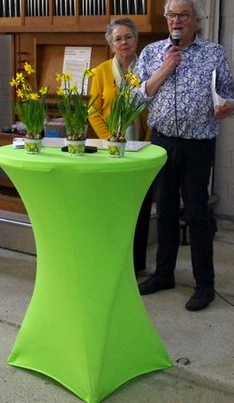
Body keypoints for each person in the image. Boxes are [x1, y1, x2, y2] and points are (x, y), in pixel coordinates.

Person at [134, 0, 234, 311]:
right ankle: (163, 274)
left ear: (196, 21)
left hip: (198, 143)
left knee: (196, 214)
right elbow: (136, 96)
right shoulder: (153, 52)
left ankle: (204, 285)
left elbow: (229, 93)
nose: (176, 21)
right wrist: (165, 68)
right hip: (163, 141)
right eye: (172, 15)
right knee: (165, 210)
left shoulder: (213, 53)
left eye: (183, 15)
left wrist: (227, 106)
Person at [88, 17, 152, 274]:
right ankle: (113, 260)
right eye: (118, 39)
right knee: (113, 207)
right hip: (111, 150)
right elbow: (93, 111)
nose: (123, 42)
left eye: (128, 37)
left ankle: (136, 265)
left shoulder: (147, 69)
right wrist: (110, 140)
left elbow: (153, 106)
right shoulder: (101, 72)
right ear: (110, 44)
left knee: (140, 206)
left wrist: (145, 141)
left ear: (136, 40)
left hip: (141, 148)